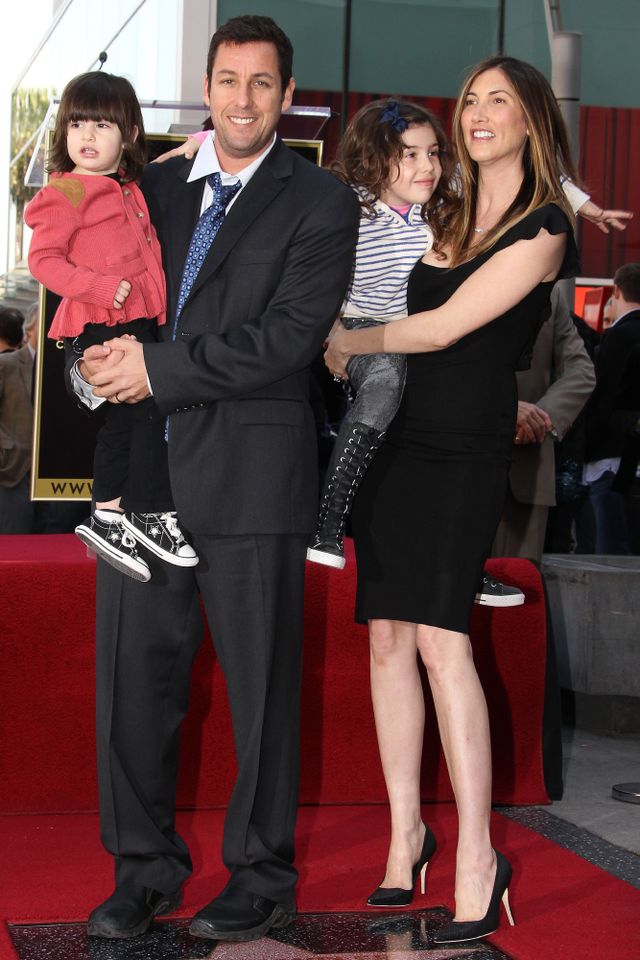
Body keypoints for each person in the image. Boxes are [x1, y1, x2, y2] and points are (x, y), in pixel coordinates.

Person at [71, 15, 359, 942]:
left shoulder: (321, 202)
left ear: (285, 94)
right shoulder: (144, 186)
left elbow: (285, 341)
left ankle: (263, 874)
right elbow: (95, 293)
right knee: (134, 686)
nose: (242, 99)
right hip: (145, 475)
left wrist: (156, 369)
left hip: (253, 473)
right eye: (228, 80)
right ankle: (143, 868)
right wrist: (87, 363)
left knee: (261, 688)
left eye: (261, 83)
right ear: (208, 85)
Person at [324, 56, 579, 944]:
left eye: (499, 100)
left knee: (442, 640)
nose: (478, 113)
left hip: (463, 449)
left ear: (533, 119)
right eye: (470, 98)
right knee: (387, 637)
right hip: (393, 441)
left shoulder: (545, 226)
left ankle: (478, 854)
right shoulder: (441, 207)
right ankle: (407, 838)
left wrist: (346, 342)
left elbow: (441, 328)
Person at [24, 71, 197, 582]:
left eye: (102, 124)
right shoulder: (68, 191)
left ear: (130, 134)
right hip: (100, 321)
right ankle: (142, 510)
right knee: (145, 413)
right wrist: (97, 287)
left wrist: (197, 144)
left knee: (128, 422)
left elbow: (160, 166)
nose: (88, 135)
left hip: (137, 322)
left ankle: (110, 513)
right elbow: (43, 260)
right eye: (77, 123)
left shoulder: (127, 188)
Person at [491, 285, 595, 564]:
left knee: (520, 593)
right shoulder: (455, 274)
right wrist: (501, 410)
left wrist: (541, 417)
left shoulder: (550, 293)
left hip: (527, 470)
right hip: (455, 466)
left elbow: (581, 371)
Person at [583, 262, 640, 553]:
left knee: (613, 554)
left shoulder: (620, 335)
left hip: (613, 458)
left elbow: (603, 397)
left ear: (616, 291)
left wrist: (585, 445)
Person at [0, 306, 33, 531]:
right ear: (28, 330)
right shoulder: (6, 365)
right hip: (13, 470)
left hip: (55, 479)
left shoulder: (70, 366)